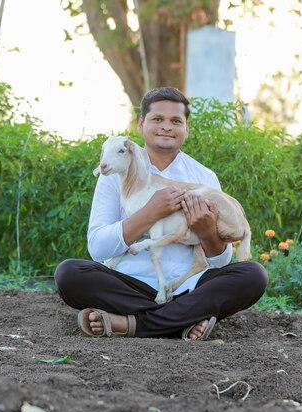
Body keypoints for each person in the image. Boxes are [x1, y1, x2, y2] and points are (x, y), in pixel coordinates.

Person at [54, 87, 267, 340]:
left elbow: (220, 262)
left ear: (186, 129)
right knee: (69, 274)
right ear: (141, 124)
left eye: (176, 121)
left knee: (253, 276)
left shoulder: (203, 177)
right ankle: (181, 321)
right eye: (157, 119)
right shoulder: (116, 171)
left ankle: (128, 324)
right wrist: (151, 212)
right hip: (129, 284)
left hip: (187, 286)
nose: (167, 126)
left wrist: (207, 229)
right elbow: (98, 248)